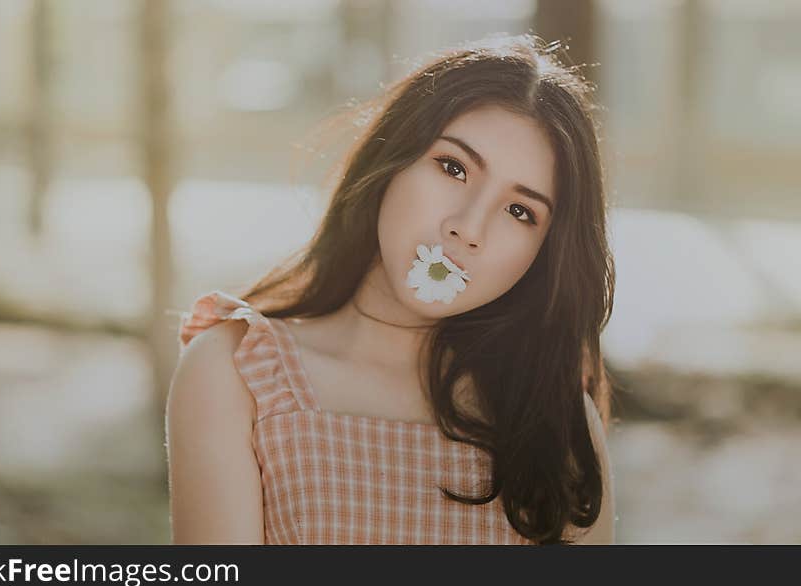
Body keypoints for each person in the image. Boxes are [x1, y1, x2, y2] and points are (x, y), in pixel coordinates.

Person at [166, 33, 616, 545]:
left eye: (520, 211)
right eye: (453, 168)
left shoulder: (554, 420)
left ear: (544, 255)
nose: (468, 228)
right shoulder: (239, 372)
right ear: (393, 158)